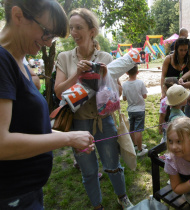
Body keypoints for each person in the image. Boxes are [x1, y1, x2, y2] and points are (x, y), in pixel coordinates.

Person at [0, 1, 94, 209]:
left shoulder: (19, 61)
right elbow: (1, 143)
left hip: (27, 190)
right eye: (46, 33)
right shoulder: (2, 61)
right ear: (18, 16)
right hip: (11, 196)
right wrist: (68, 137)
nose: (49, 43)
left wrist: (70, 139)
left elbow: (26, 129)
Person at [54, 8, 133, 209]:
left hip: (103, 120)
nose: (73, 32)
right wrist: (77, 75)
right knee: (88, 171)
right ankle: (97, 206)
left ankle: (122, 196)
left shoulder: (105, 57)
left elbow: (118, 93)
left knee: (113, 166)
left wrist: (106, 77)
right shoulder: (64, 57)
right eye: (71, 28)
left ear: (92, 31)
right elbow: (58, 92)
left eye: (79, 27)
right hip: (78, 123)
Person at [122, 64, 148, 156]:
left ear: (126, 73)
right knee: (138, 130)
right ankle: (140, 150)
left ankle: (136, 145)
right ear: (137, 72)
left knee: (132, 129)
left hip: (130, 110)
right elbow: (145, 96)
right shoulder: (140, 83)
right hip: (140, 110)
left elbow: (124, 98)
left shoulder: (124, 84)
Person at [159, 77, 179, 142]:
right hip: (177, 125)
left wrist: (160, 126)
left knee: (166, 141)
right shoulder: (179, 99)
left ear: (165, 88)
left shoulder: (163, 101)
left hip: (166, 127)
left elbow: (162, 116)